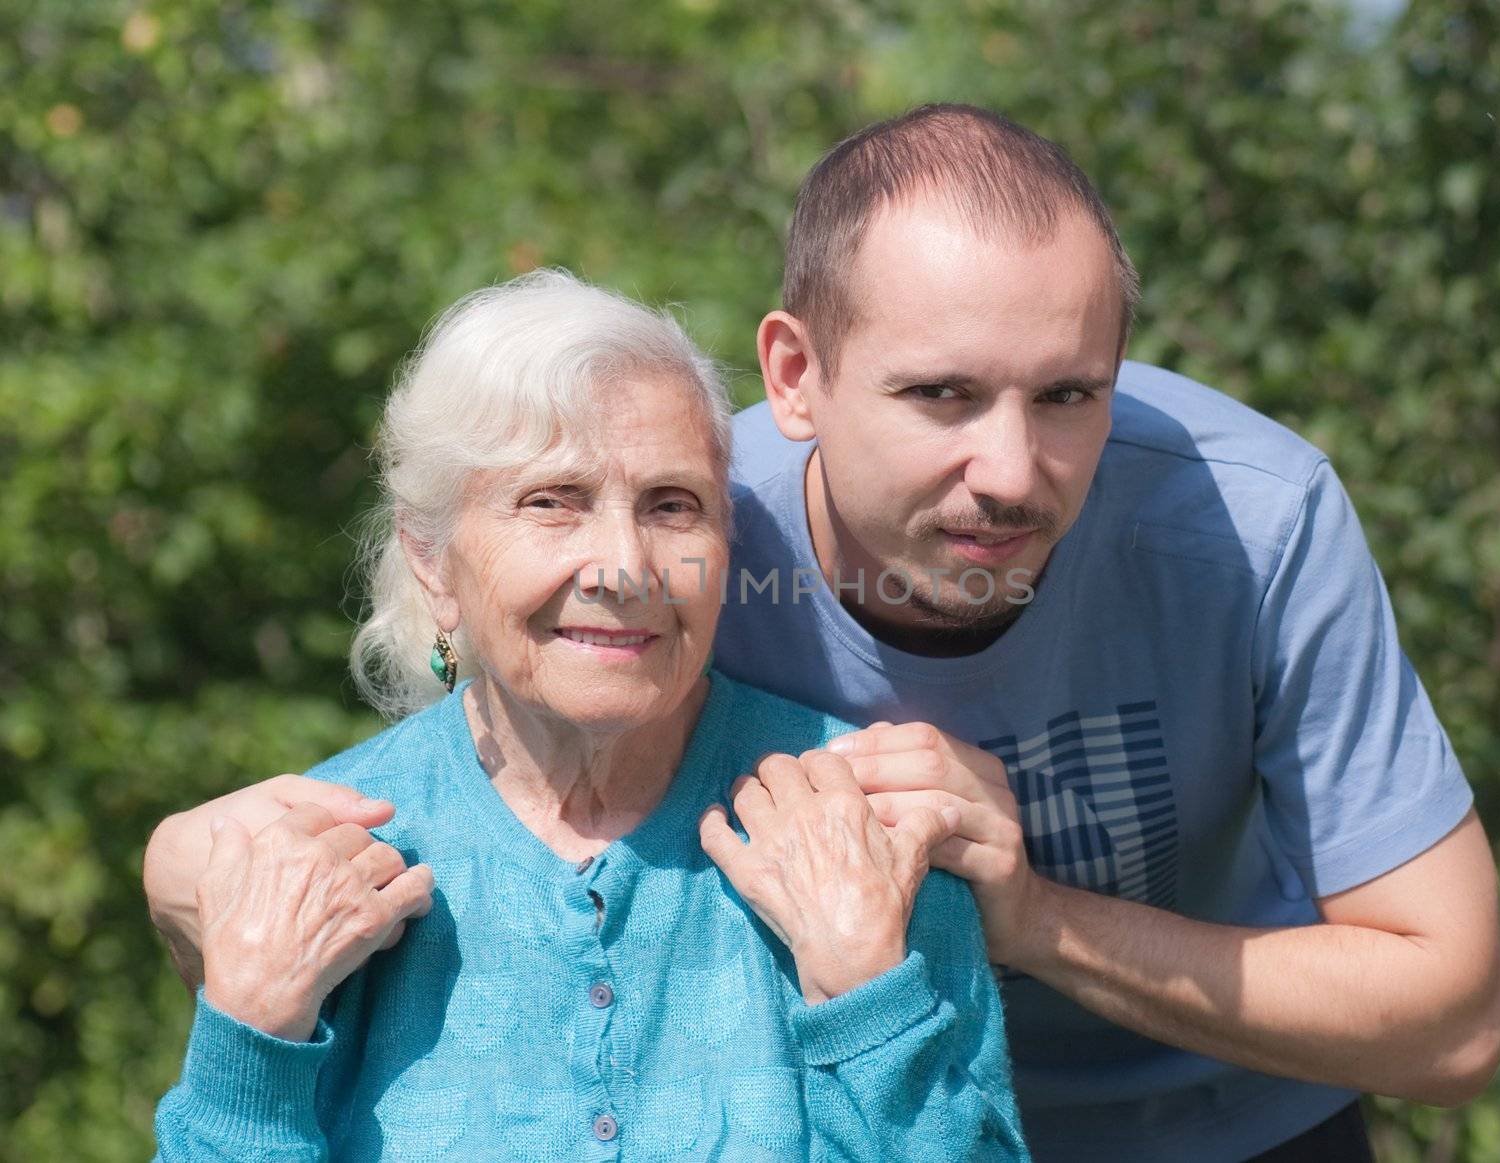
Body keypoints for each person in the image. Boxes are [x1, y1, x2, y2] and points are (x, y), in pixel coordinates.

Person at [145, 105, 1500, 1161]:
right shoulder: (679, 529)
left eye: (1069, 393)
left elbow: (1454, 1018)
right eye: (941, 393)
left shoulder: (1249, 523)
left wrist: (1027, 918)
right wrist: (186, 873)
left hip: (1235, 1123)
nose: (1013, 470)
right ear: (794, 376)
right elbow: (478, 765)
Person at [148, 271, 1029, 1161]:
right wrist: (251, 1031)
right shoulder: (322, 859)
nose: (625, 565)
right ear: (432, 561)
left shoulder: (862, 827)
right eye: (551, 502)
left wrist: (868, 996)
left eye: (671, 506)